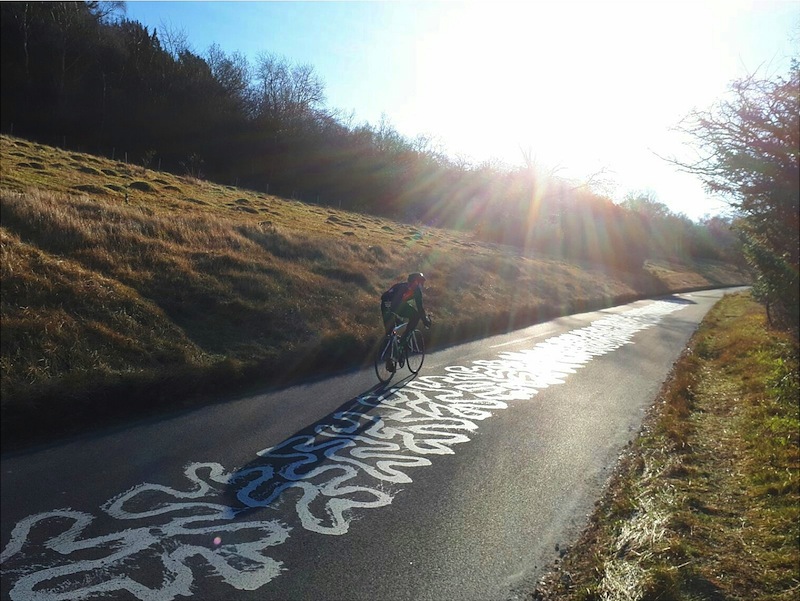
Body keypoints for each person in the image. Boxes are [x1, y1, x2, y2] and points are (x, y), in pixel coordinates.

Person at [380, 273, 432, 368]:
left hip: (385, 304)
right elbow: (420, 309)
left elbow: (387, 298)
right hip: (395, 305)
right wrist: (425, 321)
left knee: (390, 332)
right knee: (415, 316)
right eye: (421, 282)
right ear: (416, 282)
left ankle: (389, 357)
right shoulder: (415, 290)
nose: (422, 285)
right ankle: (403, 341)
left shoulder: (401, 285)